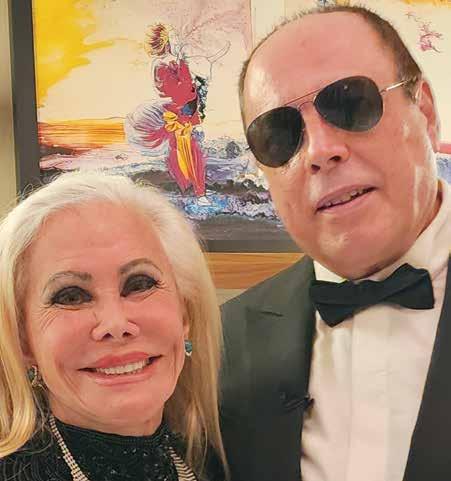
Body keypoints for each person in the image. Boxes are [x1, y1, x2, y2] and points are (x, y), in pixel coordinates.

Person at [213, 5, 451, 481]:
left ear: (424, 112)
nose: (320, 151)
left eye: (351, 105)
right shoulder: (223, 345)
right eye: (279, 134)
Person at [0, 171, 227, 480]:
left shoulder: (215, 462)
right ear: (23, 341)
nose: (116, 323)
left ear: (184, 313)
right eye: (71, 296)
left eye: (140, 283)